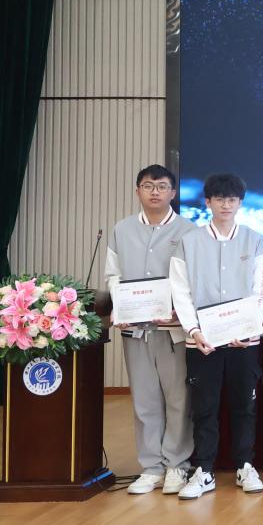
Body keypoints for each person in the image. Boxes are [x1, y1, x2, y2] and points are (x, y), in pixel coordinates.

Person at [170, 173, 263, 500]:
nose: (226, 205)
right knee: (204, 408)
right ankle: (204, 470)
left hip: (244, 342)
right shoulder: (189, 242)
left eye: (232, 199)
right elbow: (180, 290)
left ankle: (245, 465)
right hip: (203, 342)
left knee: (244, 405)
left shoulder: (254, 240)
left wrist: (250, 328)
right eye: (219, 199)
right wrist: (193, 329)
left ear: (240, 203)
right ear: (208, 202)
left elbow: (262, 288)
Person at [104, 164, 196, 496]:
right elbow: (113, 275)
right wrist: (120, 305)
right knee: (144, 400)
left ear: (173, 193)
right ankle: (151, 466)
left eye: (161, 186)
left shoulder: (189, 231)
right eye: (148, 185)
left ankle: (177, 464)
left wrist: (178, 312)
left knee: (177, 399)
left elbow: (194, 280)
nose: (154, 191)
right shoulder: (122, 229)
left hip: (172, 330)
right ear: (138, 191)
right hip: (135, 329)